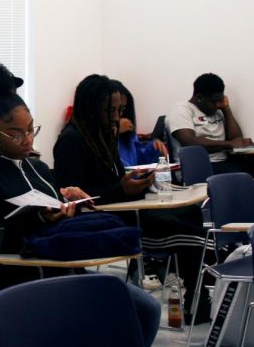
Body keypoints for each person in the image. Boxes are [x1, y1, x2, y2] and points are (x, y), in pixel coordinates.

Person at [0, 63, 160, 347]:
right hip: (23, 278)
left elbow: (59, 221)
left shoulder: (39, 168)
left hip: (64, 267)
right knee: (109, 320)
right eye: (15, 133)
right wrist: (39, 220)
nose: (27, 139)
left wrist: (71, 203)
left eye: (31, 130)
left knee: (146, 310)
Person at [53, 74, 211, 323]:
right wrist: (122, 189)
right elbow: (75, 197)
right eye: (110, 110)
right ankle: (199, 295)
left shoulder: (104, 134)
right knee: (195, 239)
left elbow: (113, 181)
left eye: (120, 110)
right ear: (92, 108)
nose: (116, 117)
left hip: (127, 211)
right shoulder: (71, 141)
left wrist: (135, 181)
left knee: (191, 214)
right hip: (108, 222)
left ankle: (197, 292)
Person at [166, 73, 254, 172]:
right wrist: (229, 144)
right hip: (197, 167)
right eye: (214, 101)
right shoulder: (181, 110)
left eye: (220, 100)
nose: (217, 105)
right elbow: (190, 142)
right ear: (199, 97)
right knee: (246, 177)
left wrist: (226, 109)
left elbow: (236, 139)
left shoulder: (217, 111)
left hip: (224, 164)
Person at [111, 81, 168, 167]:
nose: (119, 114)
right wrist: (114, 132)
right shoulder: (91, 139)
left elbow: (137, 161)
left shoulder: (127, 133)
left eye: (123, 108)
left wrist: (152, 148)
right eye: (112, 109)